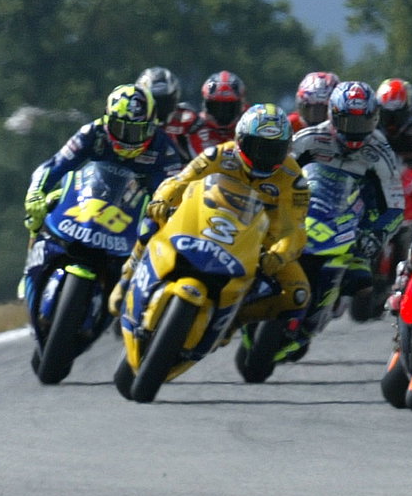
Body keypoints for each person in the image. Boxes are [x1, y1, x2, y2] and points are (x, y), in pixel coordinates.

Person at [117, 103, 311, 333]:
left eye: (273, 150)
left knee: (298, 295)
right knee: (151, 224)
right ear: (240, 140)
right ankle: (127, 278)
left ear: (286, 149)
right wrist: (162, 200)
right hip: (204, 221)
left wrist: (279, 255)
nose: (264, 157)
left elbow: (295, 230)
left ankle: (234, 320)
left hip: (260, 243)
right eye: (257, 147)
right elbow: (180, 181)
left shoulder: (294, 178)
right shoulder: (218, 154)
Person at [291, 80, 406, 324]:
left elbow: (396, 206)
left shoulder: (380, 150)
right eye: (347, 123)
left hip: (352, 228)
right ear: (332, 116)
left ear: (374, 119)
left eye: (362, 123)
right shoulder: (308, 139)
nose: (354, 131)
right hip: (303, 216)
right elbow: (279, 173)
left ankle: (323, 310)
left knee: (361, 287)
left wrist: (376, 234)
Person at [23, 83, 185, 240]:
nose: (126, 138)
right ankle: (36, 258)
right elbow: (56, 164)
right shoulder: (92, 132)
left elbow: (170, 191)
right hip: (86, 200)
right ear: (107, 121)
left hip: (131, 214)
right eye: (118, 127)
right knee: (45, 206)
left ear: (151, 127)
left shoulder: (164, 149)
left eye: (135, 131)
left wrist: (159, 214)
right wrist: (35, 193)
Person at [136, 66, 199, 162]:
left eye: (165, 102)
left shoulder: (187, 120)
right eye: (154, 102)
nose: (160, 108)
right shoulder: (131, 119)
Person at [188, 70, 249, 155]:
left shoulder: (250, 125)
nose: (223, 113)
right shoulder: (192, 127)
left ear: (241, 105)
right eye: (216, 107)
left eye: (230, 108)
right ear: (206, 105)